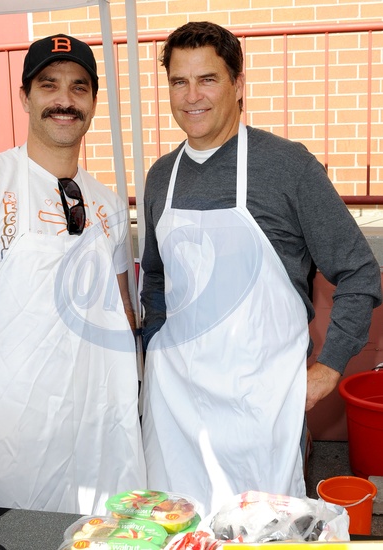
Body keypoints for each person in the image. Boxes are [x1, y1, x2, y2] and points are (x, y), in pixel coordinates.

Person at [140, 21, 382, 517]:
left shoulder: (288, 167)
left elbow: (360, 271)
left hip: (262, 405)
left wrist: (329, 367)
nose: (191, 96)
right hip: (175, 407)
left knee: (265, 530)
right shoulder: (161, 176)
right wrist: (155, 346)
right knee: (176, 530)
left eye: (207, 79)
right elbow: (158, 277)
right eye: (179, 82)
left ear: (238, 84)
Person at [0, 33, 146, 514]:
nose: (64, 100)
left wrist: (136, 399)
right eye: (49, 85)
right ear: (25, 97)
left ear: (93, 103)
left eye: (78, 87)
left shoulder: (110, 204)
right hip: (16, 428)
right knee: (22, 533)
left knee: (113, 531)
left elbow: (122, 310)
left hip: (103, 424)